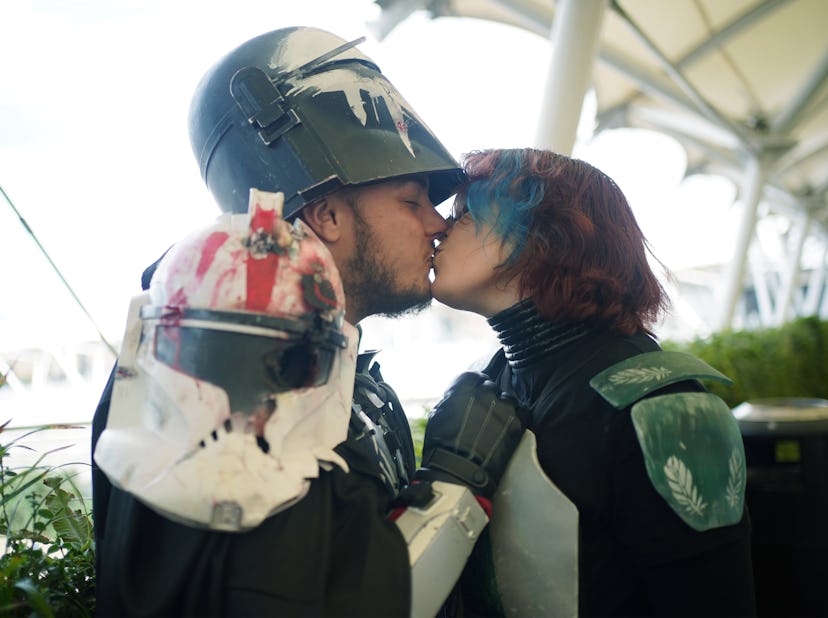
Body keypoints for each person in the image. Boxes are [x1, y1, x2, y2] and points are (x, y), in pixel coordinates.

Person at [91, 28, 527, 617]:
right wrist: (455, 483)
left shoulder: (341, 373)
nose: (438, 223)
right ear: (325, 213)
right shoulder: (218, 363)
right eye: (412, 201)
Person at [430, 147, 757, 617]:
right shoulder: (492, 378)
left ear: (545, 235)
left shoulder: (664, 404)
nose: (442, 227)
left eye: (466, 213)